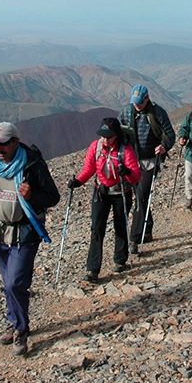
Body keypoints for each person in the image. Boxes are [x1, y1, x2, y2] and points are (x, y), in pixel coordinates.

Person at [0, 122, 60, 356]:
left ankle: (20, 329)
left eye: (4, 143)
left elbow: (52, 196)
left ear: (16, 142)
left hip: (26, 232)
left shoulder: (32, 164)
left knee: (14, 283)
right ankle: (15, 321)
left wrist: (32, 196)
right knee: (8, 283)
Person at [68, 117, 141, 283]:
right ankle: (92, 269)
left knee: (120, 225)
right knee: (97, 228)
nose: (105, 139)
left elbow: (136, 176)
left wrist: (127, 172)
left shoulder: (126, 150)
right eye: (103, 135)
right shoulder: (96, 147)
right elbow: (89, 168)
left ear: (116, 135)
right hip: (100, 191)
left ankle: (120, 260)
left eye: (108, 136)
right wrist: (78, 181)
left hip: (121, 192)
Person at [118, 84, 176, 253]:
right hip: (131, 161)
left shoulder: (158, 113)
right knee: (139, 196)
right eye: (135, 102)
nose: (137, 105)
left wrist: (164, 146)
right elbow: (118, 130)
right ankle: (148, 228)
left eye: (140, 102)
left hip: (150, 161)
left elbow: (169, 134)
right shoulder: (126, 112)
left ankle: (135, 238)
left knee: (142, 195)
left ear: (147, 98)